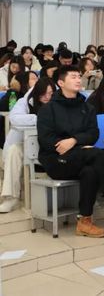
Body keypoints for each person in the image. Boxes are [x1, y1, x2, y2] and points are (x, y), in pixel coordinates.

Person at [36, 65, 104, 237]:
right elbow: (46, 140)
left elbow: (93, 134)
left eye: (79, 76)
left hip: (81, 156)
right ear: (61, 83)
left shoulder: (87, 107)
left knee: (90, 171)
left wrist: (73, 140)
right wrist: (70, 144)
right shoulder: (48, 109)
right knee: (96, 153)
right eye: (73, 77)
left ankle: (84, 221)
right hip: (56, 160)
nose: (78, 80)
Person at [1, 77, 55, 212]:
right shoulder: (25, 102)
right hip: (29, 145)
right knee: (14, 150)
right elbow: (15, 118)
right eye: (43, 94)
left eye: (50, 93)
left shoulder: (58, 102)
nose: (47, 97)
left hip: (52, 146)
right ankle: (10, 198)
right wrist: (39, 119)